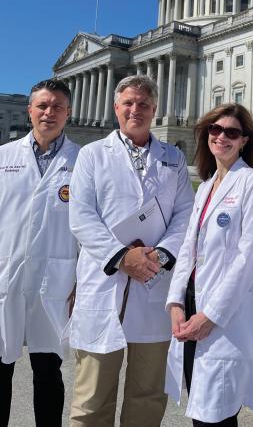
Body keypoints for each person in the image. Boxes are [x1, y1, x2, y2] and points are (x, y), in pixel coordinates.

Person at [68, 75, 193, 427]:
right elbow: (81, 217)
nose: (135, 110)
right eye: (128, 103)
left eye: (143, 104)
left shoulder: (173, 158)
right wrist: (124, 257)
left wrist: (161, 255)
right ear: (116, 108)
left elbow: (186, 214)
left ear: (154, 109)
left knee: (147, 398)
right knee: (91, 400)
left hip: (154, 282)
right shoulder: (92, 155)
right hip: (105, 282)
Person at [166, 103, 253, 426]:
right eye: (215, 129)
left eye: (232, 132)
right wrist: (175, 302)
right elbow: (188, 247)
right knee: (201, 407)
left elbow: (249, 257)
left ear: (244, 141)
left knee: (216, 414)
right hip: (193, 301)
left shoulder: (252, 182)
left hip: (225, 313)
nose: (221, 137)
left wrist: (212, 315)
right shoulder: (207, 185)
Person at [0, 78, 79, 427]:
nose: (50, 113)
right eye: (43, 106)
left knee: (48, 371)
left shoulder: (83, 160)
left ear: (68, 113)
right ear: (31, 110)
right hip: (7, 275)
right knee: (0, 367)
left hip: (56, 280)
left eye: (57, 107)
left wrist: (81, 282)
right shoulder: (3, 157)